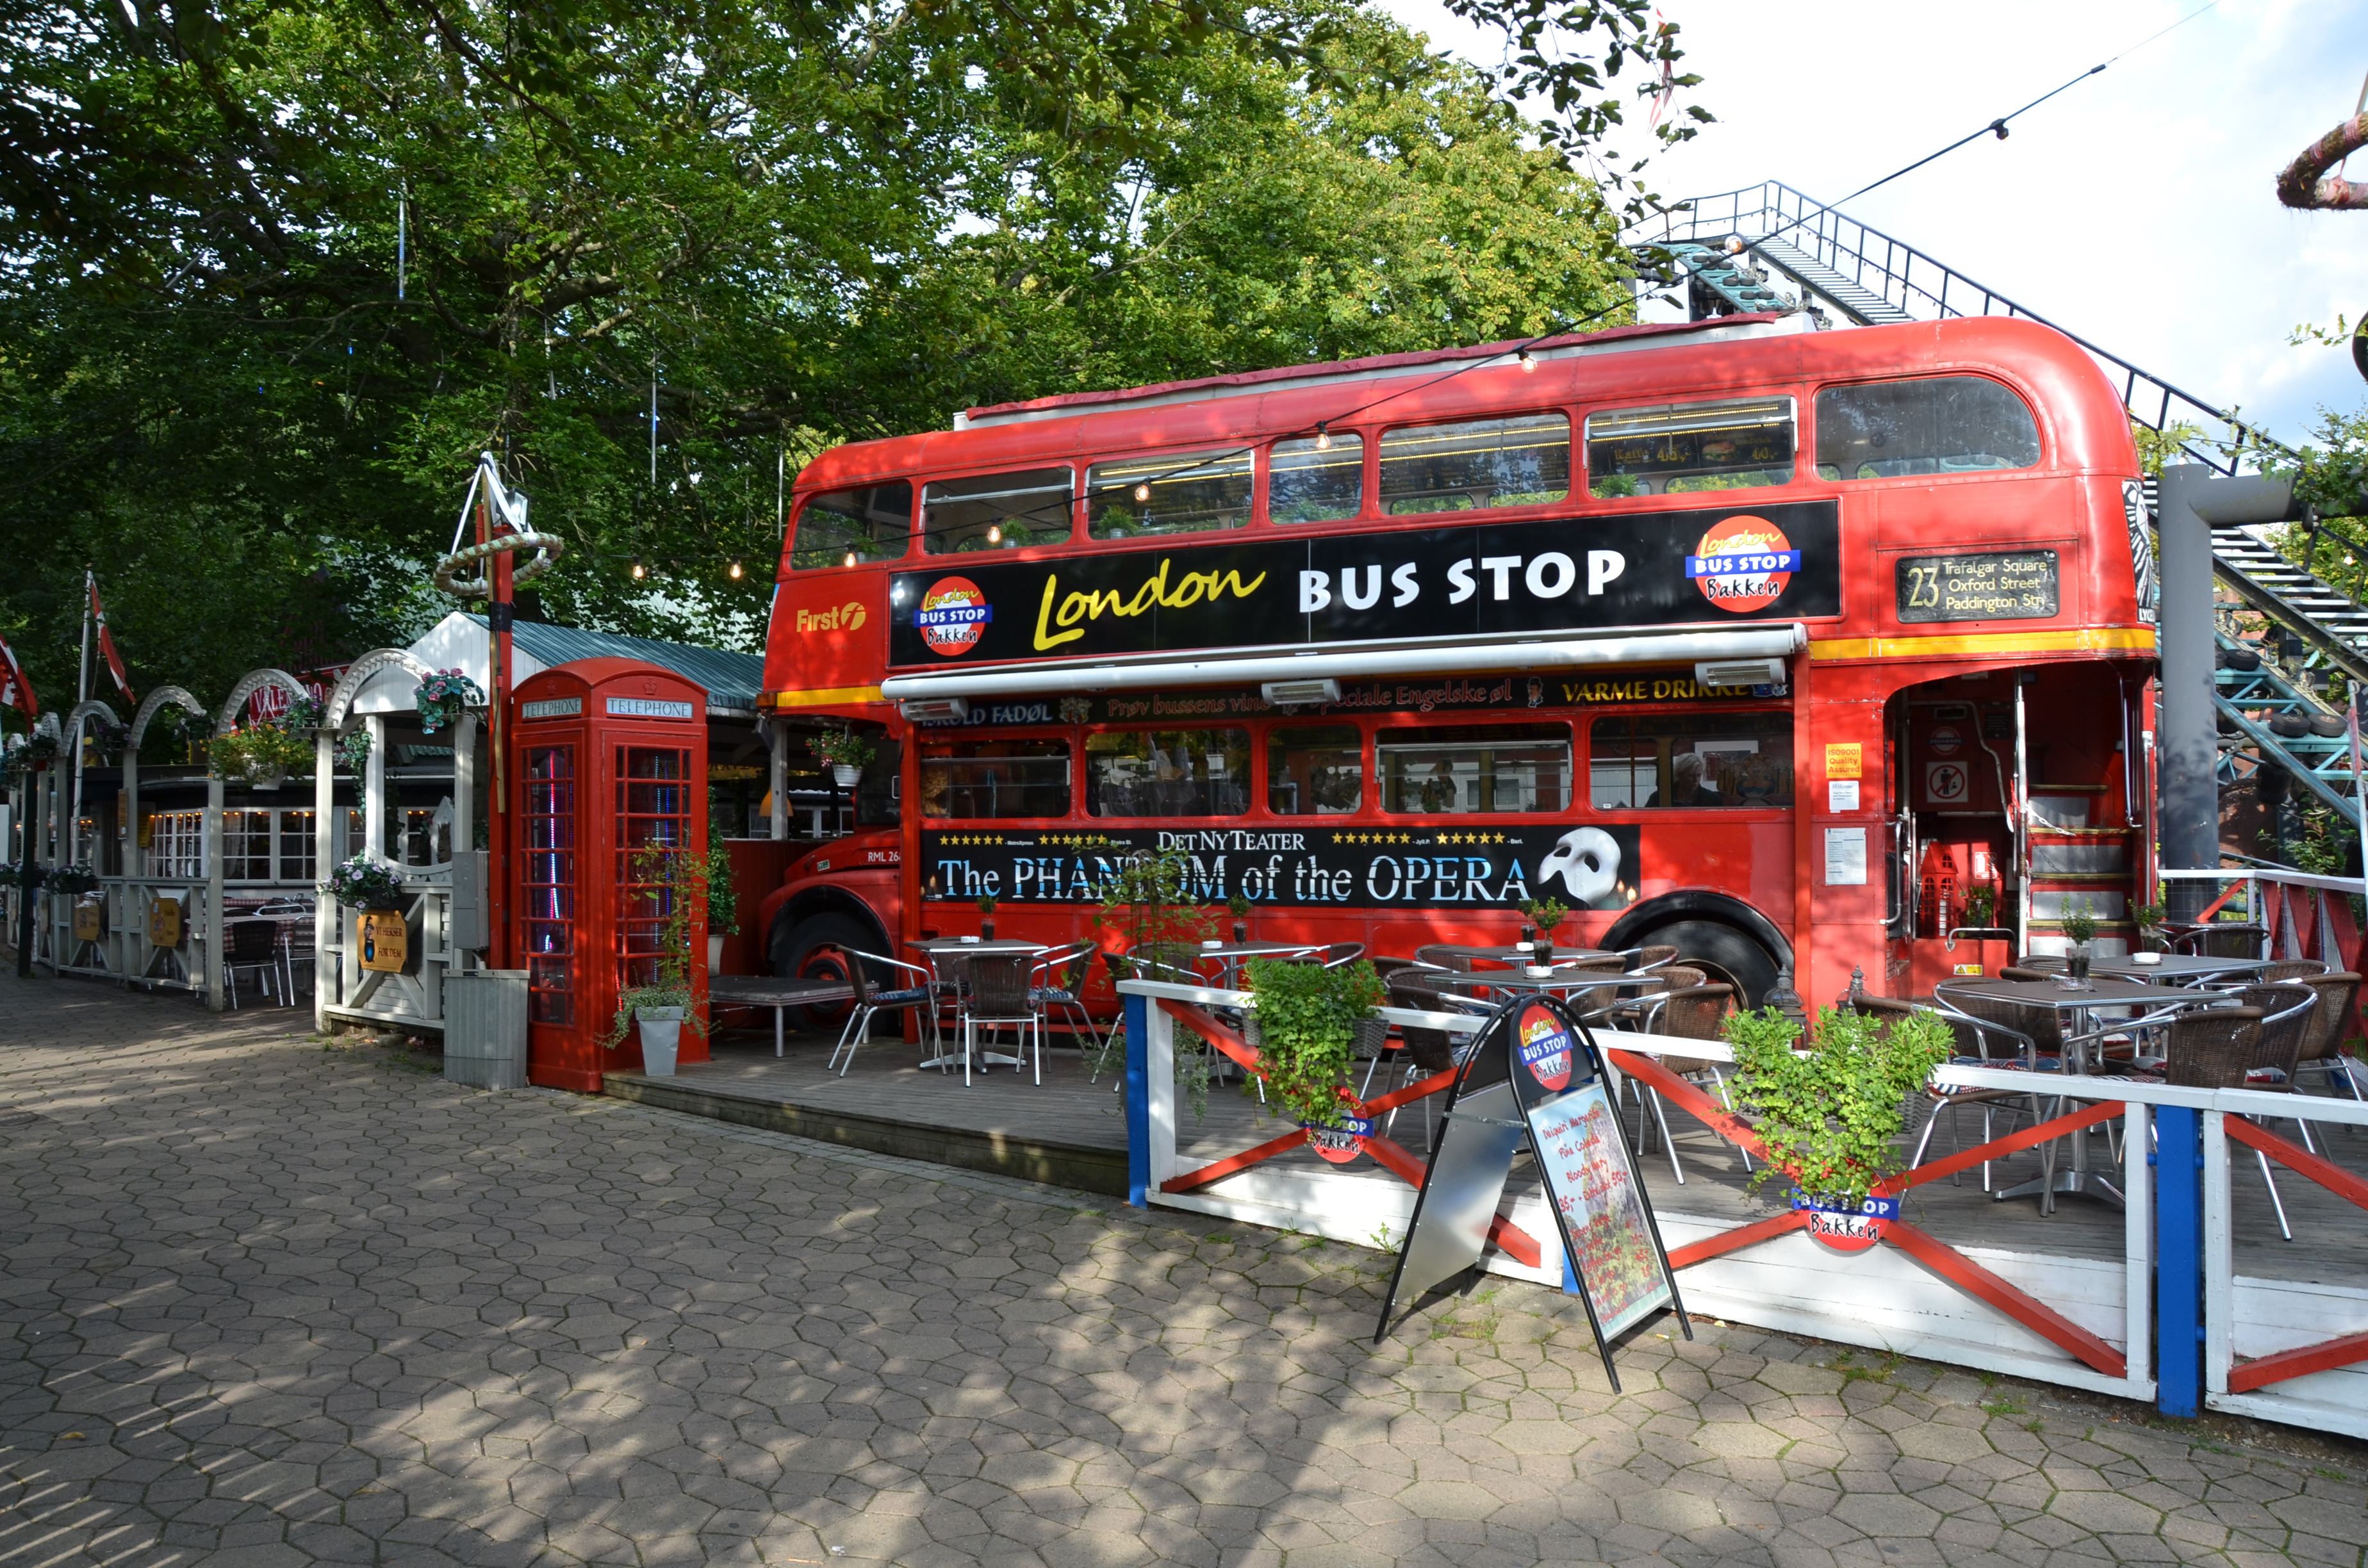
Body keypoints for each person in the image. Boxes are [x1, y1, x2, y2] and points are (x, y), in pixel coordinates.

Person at [1647, 751, 1722, 808]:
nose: (1696, 780)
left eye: (1699, 776)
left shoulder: (1712, 799)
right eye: (1691, 776)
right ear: (1680, 774)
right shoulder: (1659, 798)